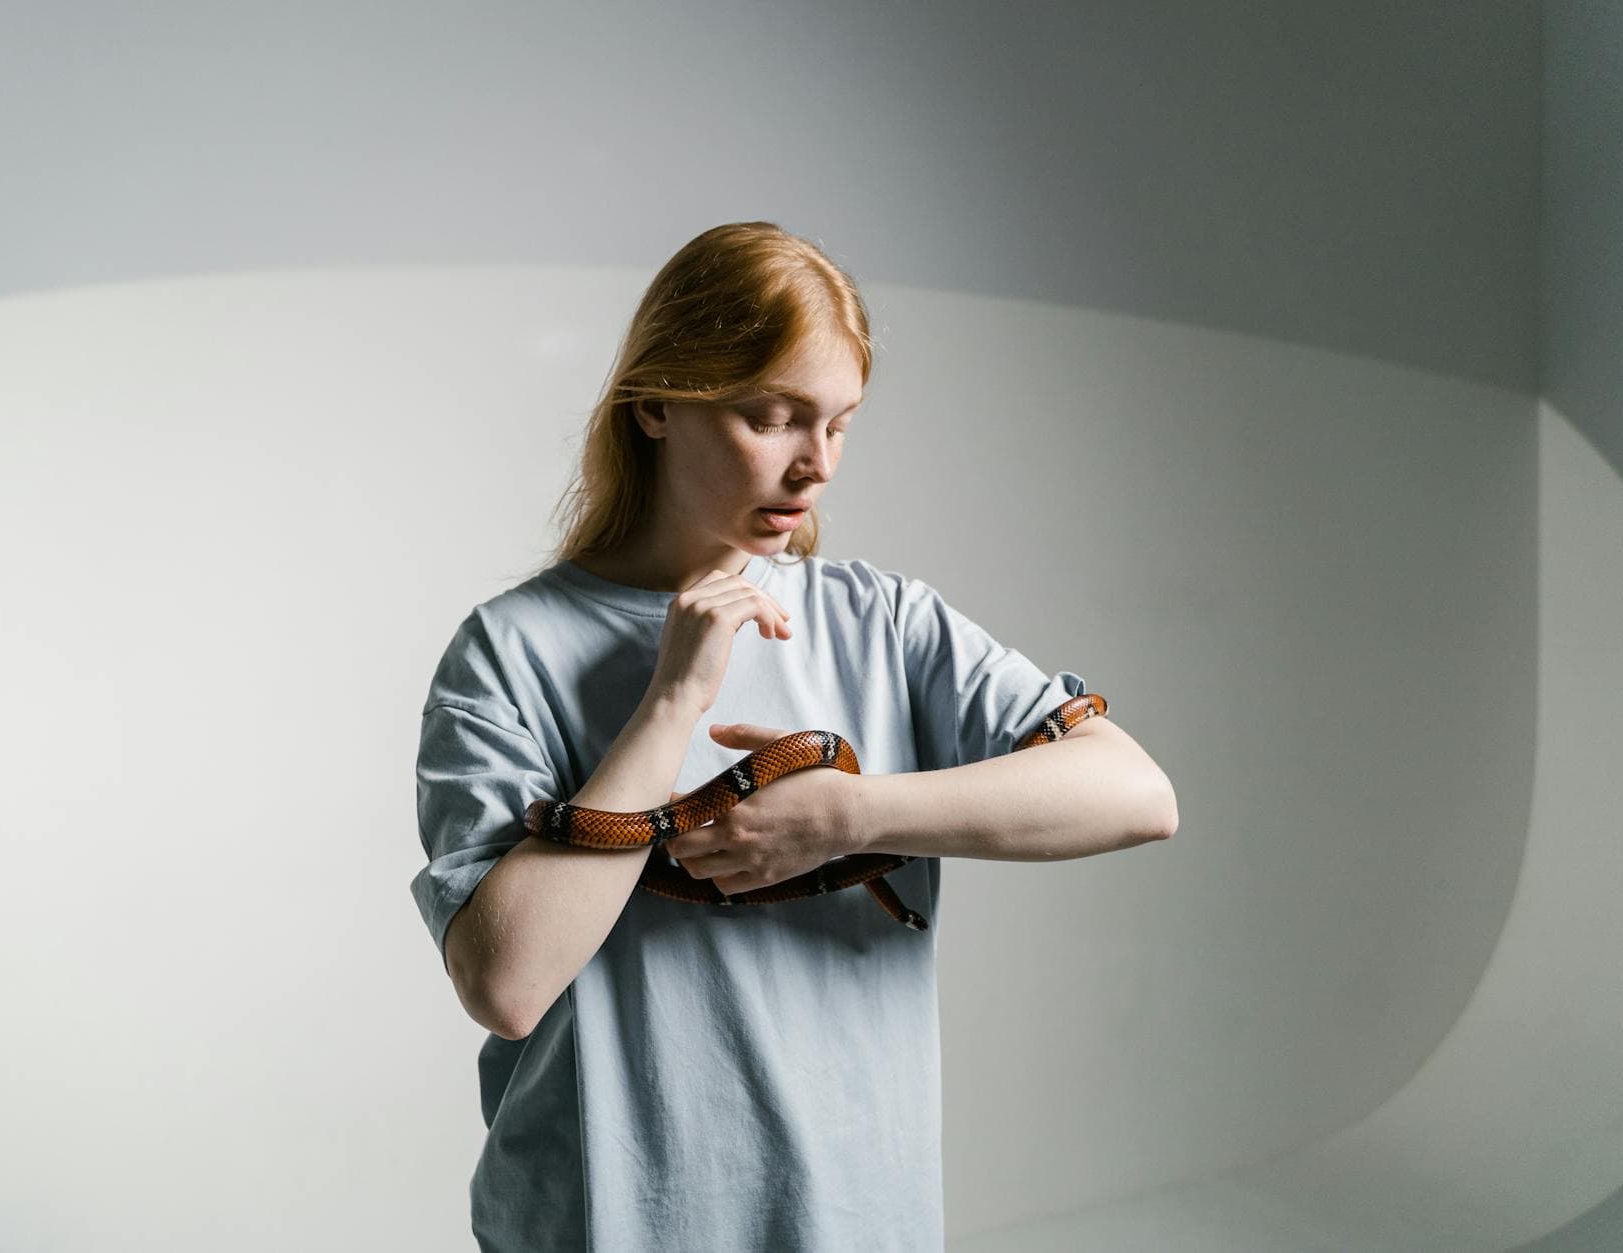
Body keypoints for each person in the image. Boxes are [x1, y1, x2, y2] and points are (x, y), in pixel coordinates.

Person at [410, 221, 1176, 1252]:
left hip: (855, 1219)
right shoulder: (509, 649)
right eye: (771, 418)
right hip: (600, 1224)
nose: (813, 464)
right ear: (655, 404)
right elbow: (504, 984)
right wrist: (672, 701)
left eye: (839, 423)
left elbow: (1135, 794)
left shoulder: (885, 622)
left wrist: (848, 814)